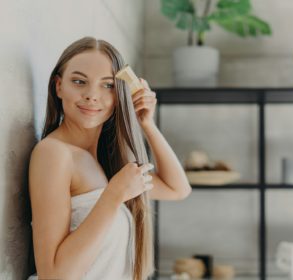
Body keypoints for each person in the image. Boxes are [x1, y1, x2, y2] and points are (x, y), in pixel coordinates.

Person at [27, 37, 192, 280]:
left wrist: (147, 124)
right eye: (79, 81)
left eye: (108, 85)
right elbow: (54, 275)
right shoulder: (54, 154)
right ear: (59, 86)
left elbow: (177, 189)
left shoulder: (108, 161)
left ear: (120, 95)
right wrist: (113, 195)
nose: (92, 95)